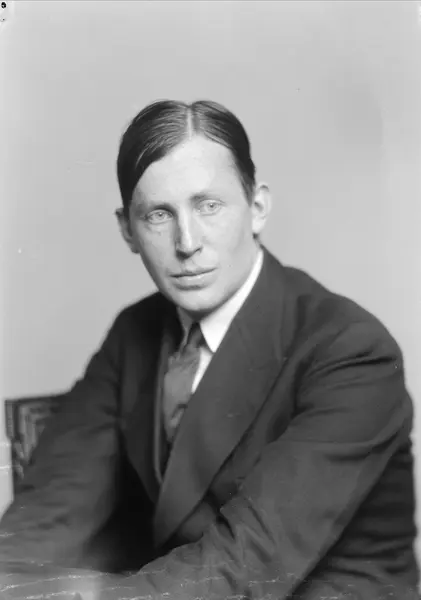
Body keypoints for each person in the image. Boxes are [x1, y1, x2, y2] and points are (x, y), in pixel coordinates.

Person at [0, 99, 418, 600]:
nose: (187, 242)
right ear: (128, 230)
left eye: (209, 206)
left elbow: (251, 557)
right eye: (159, 215)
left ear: (257, 208)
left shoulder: (351, 350)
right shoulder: (134, 332)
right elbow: (53, 507)